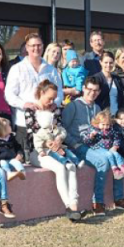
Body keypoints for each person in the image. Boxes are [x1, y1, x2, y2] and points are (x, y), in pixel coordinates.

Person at [62, 77, 124, 215]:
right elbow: (63, 129)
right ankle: (98, 202)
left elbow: (104, 130)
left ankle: (119, 199)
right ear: (83, 88)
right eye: (89, 89)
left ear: (99, 91)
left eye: (96, 90)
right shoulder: (73, 106)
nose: (92, 93)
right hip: (79, 146)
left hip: (97, 146)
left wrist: (109, 144)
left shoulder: (97, 108)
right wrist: (75, 144)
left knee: (118, 159)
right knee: (103, 163)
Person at [26, 81, 84, 220]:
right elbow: (31, 132)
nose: (51, 102)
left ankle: (75, 204)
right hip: (39, 152)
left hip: (56, 149)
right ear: (41, 93)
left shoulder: (55, 109)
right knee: (60, 168)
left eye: (54, 98)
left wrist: (58, 140)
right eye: (49, 98)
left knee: (71, 166)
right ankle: (68, 206)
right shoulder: (31, 109)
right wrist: (47, 142)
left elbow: (61, 129)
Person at [5, 33, 63, 160]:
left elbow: (60, 93)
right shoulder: (17, 68)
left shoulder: (51, 70)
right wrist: (24, 104)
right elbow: (9, 94)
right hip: (24, 123)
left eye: (39, 45)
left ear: (43, 47)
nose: (36, 48)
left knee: (48, 160)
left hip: (47, 124)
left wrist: (55, 103)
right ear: (27, 47)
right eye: (33, 46)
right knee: (26, 162)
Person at [82, 110, 124, 179]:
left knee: (116, 154)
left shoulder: (111, 130)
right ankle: (115, 170)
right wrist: (91, 136)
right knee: (109, 155)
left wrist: (115, 146)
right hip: (98, 148)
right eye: (103, 124)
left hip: (109, 148)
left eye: (107, 124)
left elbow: (116, 138)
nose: (105, 127)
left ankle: (123, 167)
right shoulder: (93, 130)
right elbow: (86, 140)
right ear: (97, 123)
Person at [0, 117, 26, 181]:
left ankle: (22, 173)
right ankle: (9, 173)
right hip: (0, 164)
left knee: (16, 162)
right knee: (3, 162)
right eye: (9, 126)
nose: (11, 127)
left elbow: (18, 147)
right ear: (2, 129)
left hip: (11, 161)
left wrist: (19, 154)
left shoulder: (11, 138)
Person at [91, 51, 124, 116]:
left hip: (117, 116)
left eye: (111, 63)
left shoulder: (117, 78)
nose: (108, 65)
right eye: (106, 62)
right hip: (102, 117)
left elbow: (121, 98)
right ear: (100, 62)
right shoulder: (96, 78)